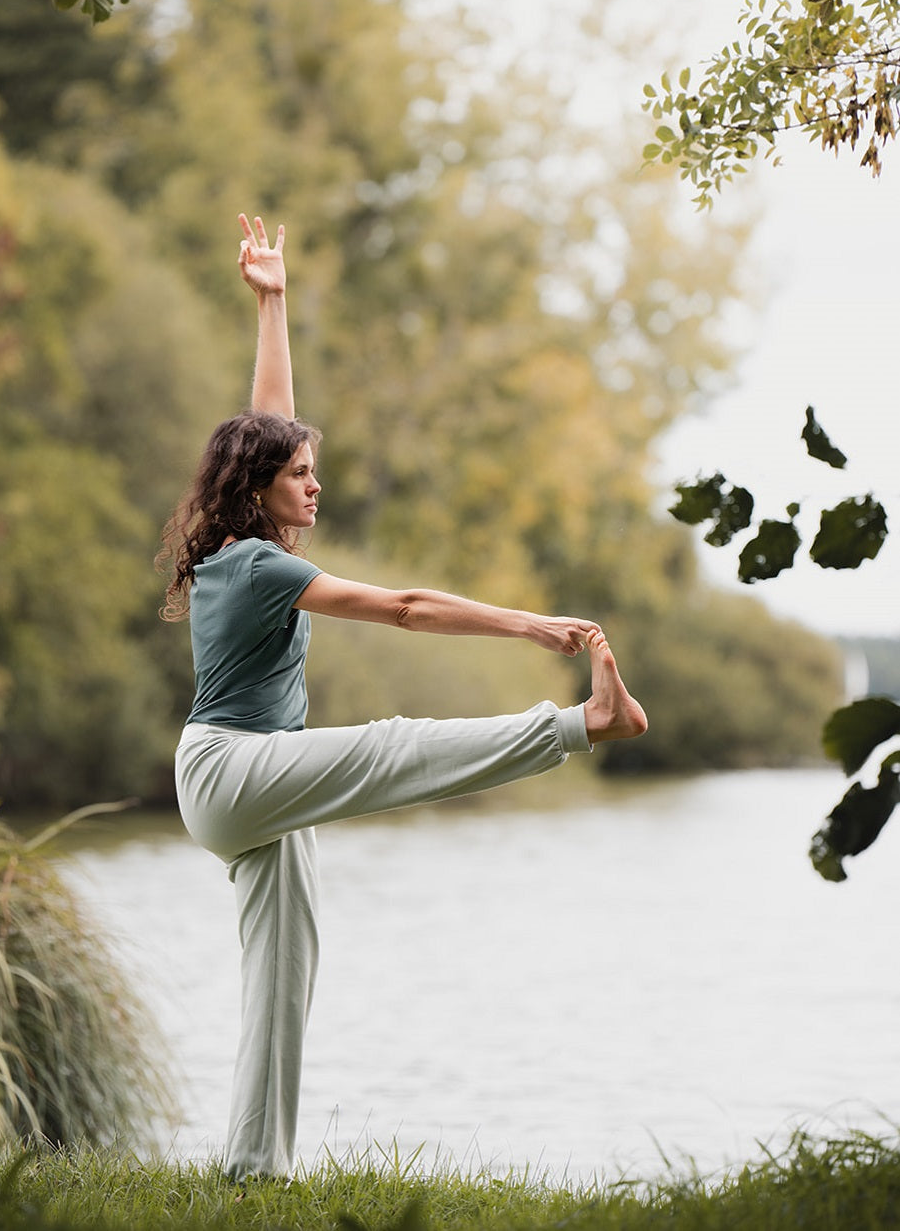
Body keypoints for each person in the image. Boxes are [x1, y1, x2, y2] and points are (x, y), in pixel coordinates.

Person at [157, 213, 647, 1184]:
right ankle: (580, 723)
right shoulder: (256, 562)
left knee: (284, 969)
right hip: (232, 769)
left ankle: (254, 1167)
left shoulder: (243, 542)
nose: (317, 482)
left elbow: (270, 418)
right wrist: (533, 625)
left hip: (239, 785)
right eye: (302, 473)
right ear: (264, 487)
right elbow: (409, 608)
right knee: (391, 746)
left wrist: (274, 301)